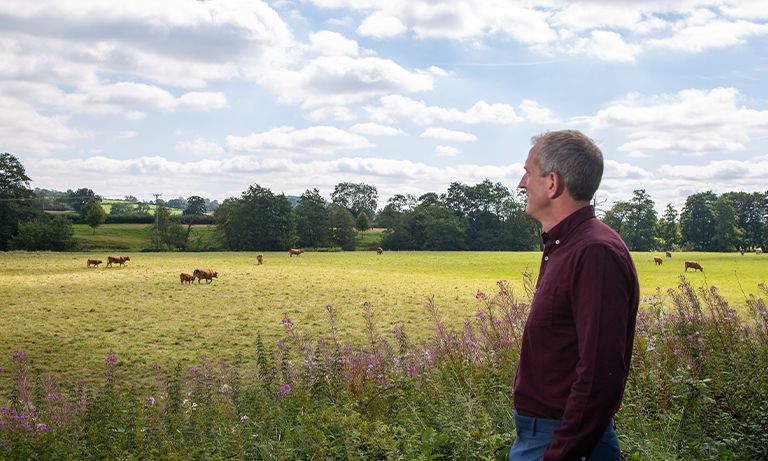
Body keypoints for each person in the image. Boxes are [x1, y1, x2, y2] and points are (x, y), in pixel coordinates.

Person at [510, 130, 639, 461]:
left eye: (528, 172)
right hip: (543, 436)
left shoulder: (594, 252)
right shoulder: (565, 246)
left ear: (552, 183)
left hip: (562, 441)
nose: (521, 183)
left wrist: (562, 453)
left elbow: (600, 374)